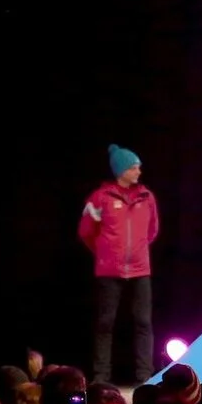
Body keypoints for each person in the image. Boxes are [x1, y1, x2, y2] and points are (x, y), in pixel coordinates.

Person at [82, 144, 161, 384]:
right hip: (109, 270)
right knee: (105, 322)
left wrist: (136, 252)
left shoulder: (147, 197)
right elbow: (86, 231)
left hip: (140, 270)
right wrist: (106, 253)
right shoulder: (100, 198)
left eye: (138, 167)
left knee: (143, 322)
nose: (139, 171)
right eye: (134, 167)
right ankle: (101, 378)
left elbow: (152, 230)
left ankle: (144, 377)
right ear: (121, 170)